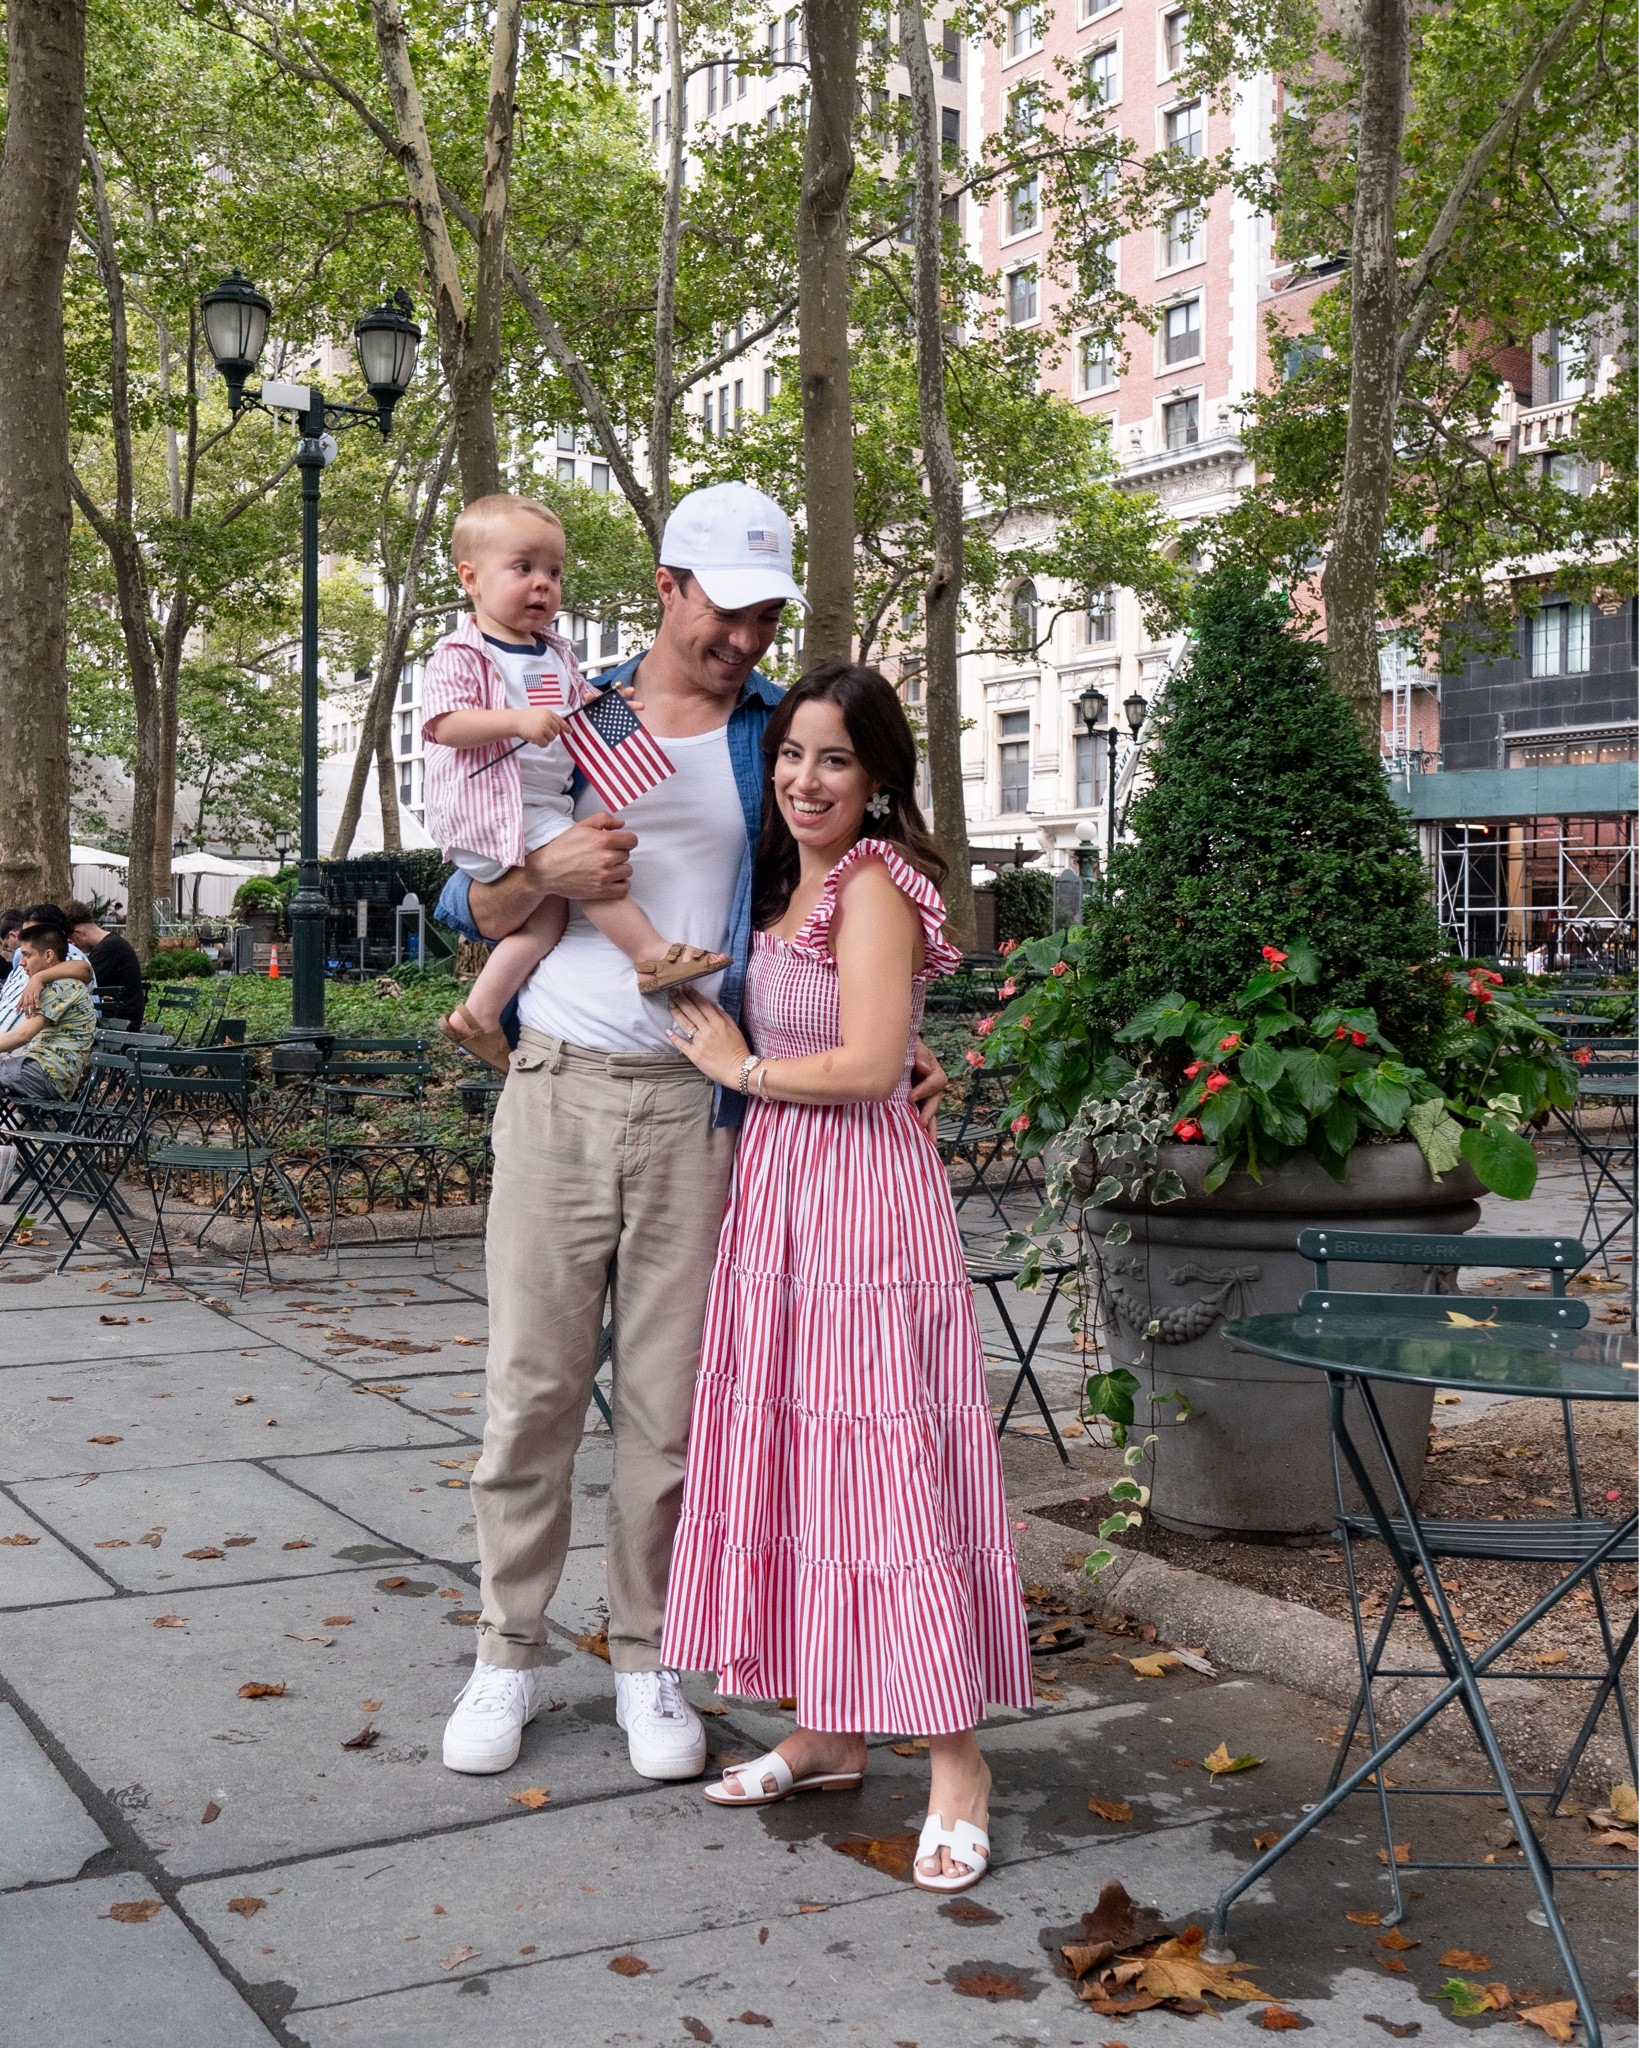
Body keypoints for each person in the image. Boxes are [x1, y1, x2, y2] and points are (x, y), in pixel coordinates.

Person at [433, 482, 948, 1784]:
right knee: (531, 1393)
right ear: (665, 589)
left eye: (765, 614)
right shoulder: (571, 706)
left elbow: (836, 898)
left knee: (671, 1413)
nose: (744, 639)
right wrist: (534, 880)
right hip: (555, 1080)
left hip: (702, 1106)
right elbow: (472, 892)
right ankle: (506, 1652)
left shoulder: (782, 734)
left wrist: (889, 1033)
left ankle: (648, 1660)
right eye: (724, 612)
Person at [659, 664, 1033, 1898]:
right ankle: (825, 1728)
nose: (803, 779)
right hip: (785, 1199)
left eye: (831, 759)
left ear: (877, 778)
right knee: (803, 1464)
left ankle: (957, 1765)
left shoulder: (873, 881)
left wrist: (742, 1061)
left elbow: (871, 1065)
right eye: (790, 756)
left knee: (882, 1471)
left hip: (862, 1208)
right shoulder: (790, 879)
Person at [421, 493, 726, 1074]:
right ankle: (649, 953)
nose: (542, 585)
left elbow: (577, 706)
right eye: (524, 568)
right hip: (497, 807)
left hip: (540, 800)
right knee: (589, 862)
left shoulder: (555, 652)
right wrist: (515, 721)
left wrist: (608, 703)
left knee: (546, 922)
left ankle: (477, 1014)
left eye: (554, 573)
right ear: (472, 579)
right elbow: (444, 725)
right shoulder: (463, 652)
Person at [0, 922, 97, 1101]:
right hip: (37, 1069)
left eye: (27, 955)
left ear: (49, 955)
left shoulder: (63, 986)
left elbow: (24, 1034)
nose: (21, 963)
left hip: (48, 1075)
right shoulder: (56, 983)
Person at [0, 904, 94, 1037]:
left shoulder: (65, 957)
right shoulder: (23, 964)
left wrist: (39, 978)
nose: (26, 938)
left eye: (33, 933)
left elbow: (85, 970)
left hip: (21, 1052)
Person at [63, 901, 144, 1028]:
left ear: (79, 933)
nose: (75, 947)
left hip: (118, 1022)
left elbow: (79, 982)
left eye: (71, 941)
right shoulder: (112, 943)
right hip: (117, 1017)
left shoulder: (107, 948)